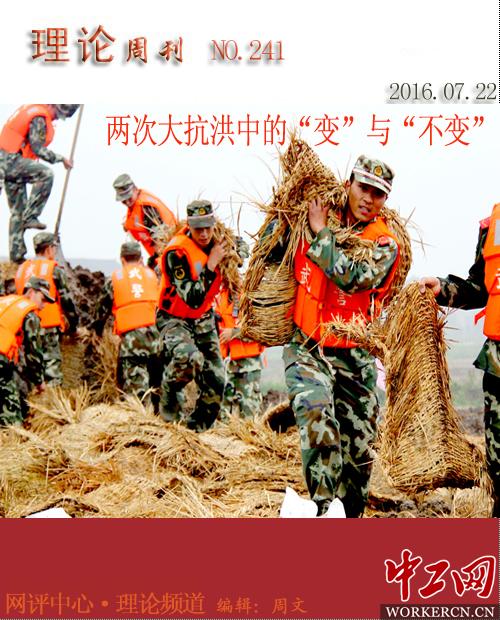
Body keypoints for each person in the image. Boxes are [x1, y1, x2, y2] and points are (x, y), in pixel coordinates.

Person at [280, 155, 400, 517]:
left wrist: (321, 233)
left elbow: (352, 278)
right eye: (363, 188)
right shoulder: (311, 218)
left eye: (378, 194)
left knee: (359, 450)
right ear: (348, 185)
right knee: (316, 414)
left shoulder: (385, 244)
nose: (368, 198)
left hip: (355, 356)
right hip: (308, 347)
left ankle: (348, 518)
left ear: (385, 200)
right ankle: (321, 511)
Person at [419, 204, 500, 516]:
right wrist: (443, 289)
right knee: (499, 463)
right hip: (498, 364)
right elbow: (481, 288)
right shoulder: (492, 226)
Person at [158, 200, 247, 431]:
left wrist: (236, 254)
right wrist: (212, 264)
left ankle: (196, 432)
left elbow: (243, 248)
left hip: (203, 317)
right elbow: (193, 298)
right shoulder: (176, 253)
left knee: (216, 379)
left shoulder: (219, 240)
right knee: (189, 358)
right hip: (174, 317)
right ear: (189, 226)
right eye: (198, 229)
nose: (205, 234)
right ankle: (169, 390)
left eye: (208, 227)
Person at [0, 104, 79, 264]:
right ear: (52, 105)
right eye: (58, 113)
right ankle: (31, 215)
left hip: (7, 163)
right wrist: (60, 159)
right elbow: (37, 148)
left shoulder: (33, 110)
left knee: (18, 212)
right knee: (45, 174)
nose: (56, 118)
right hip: (10, 161)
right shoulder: (39, 117)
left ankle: (16, 259)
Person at [92, 242, 161, 400]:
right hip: (156, 340)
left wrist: (97, 331)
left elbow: (101, 310)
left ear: (122, 260)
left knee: (137, 392)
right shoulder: (152, 276)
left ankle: (141, 413)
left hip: (132, 342)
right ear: (141, 259)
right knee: (157, 386)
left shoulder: (115, 279)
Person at [15, 232, 79, 387]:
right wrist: (73, 327)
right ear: (50, 249)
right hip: (48, 326)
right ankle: (51, 398)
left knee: (32, 365)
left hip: (25, 325)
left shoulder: (22, 269)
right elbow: (66, 300)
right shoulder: (54, 269)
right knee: (52, 369)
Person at [0, 276, 55, 426]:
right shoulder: (29, 314)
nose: (43, 306)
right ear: (30, 292)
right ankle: (14, 436)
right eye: (42, 299)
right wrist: (39, 382)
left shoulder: (5, 301)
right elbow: (33, 353)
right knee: (11, 415)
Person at [215, 286, 265, 420]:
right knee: (221, 415)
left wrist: (234, 333)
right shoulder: (221, 295)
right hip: (226, 364)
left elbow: (261, 329)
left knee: (250, 416)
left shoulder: (252, 296)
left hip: (248, 366)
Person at [113, 174, 177, 268]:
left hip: (170, 255)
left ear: (135, 189)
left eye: (128, 198)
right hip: (161, 255)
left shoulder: (146, 208)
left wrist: (154, 263)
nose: (127, 202)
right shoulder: (136, 205)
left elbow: (160, 238)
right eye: (123, 200)